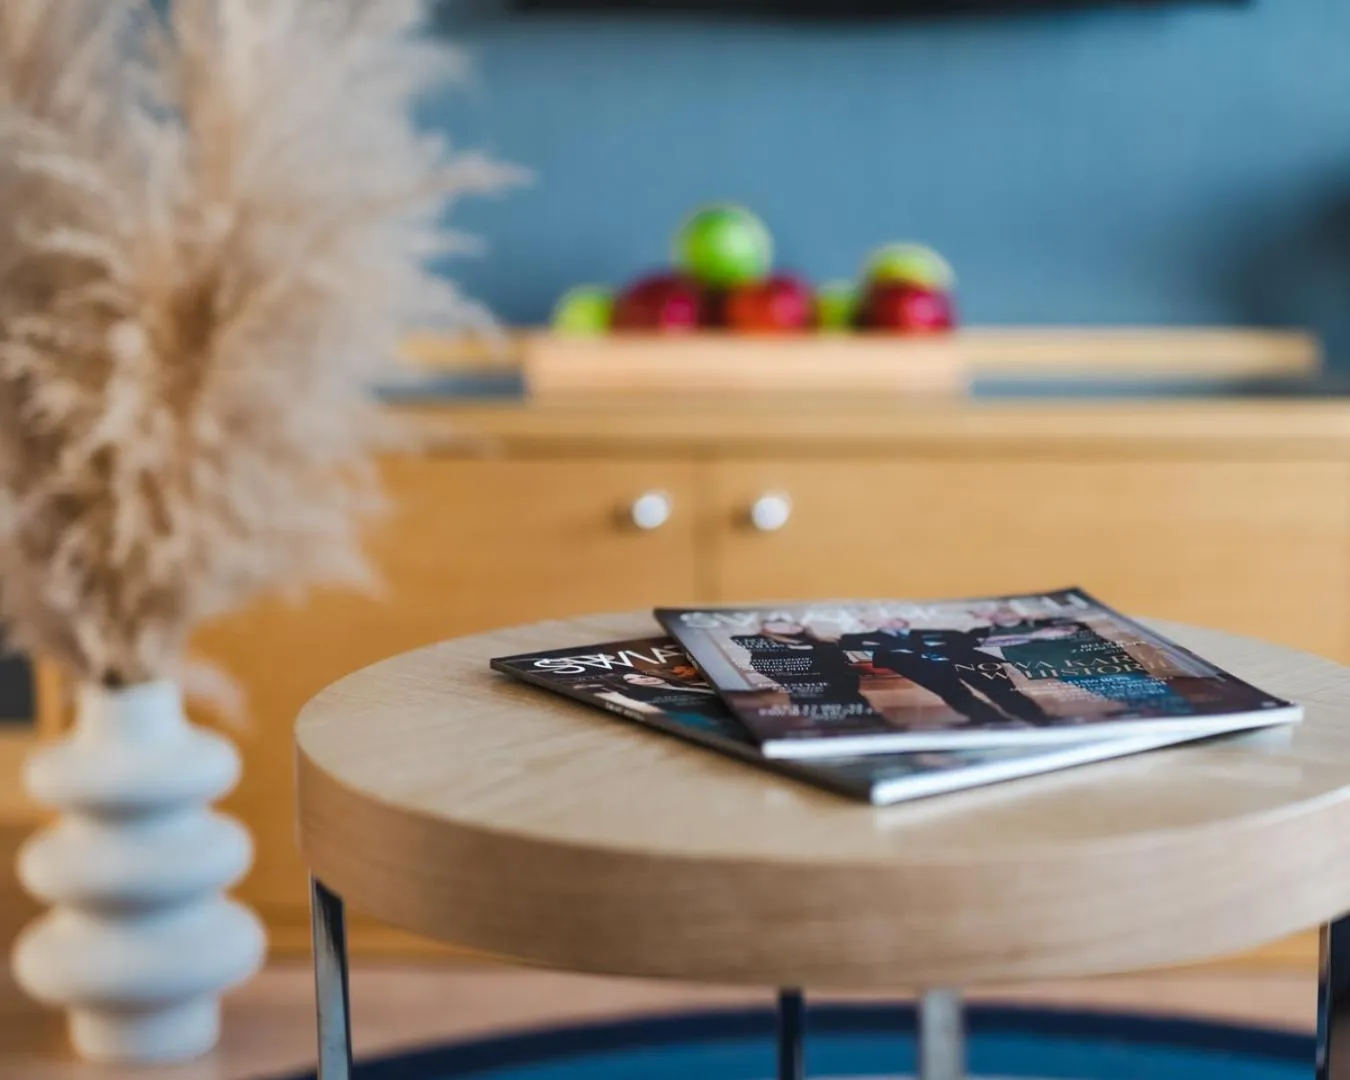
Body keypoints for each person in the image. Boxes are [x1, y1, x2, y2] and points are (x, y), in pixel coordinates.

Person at [838, 618, 1055, 728]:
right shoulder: (858, 637)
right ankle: (993, 722)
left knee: (1002, 690)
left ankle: (1038, 719)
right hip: (924, 669)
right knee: (956, 695)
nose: (896, 620)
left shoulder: (939, 629)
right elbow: (851, 649)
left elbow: (969, 642)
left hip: (966, 660)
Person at [730, 620, 873, 719]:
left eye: (795, 622)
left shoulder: (824, 644)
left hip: (849, 698)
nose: (790, 625)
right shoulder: (764, 649)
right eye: (779, 622)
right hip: (812, 701)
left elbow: (844, 672)